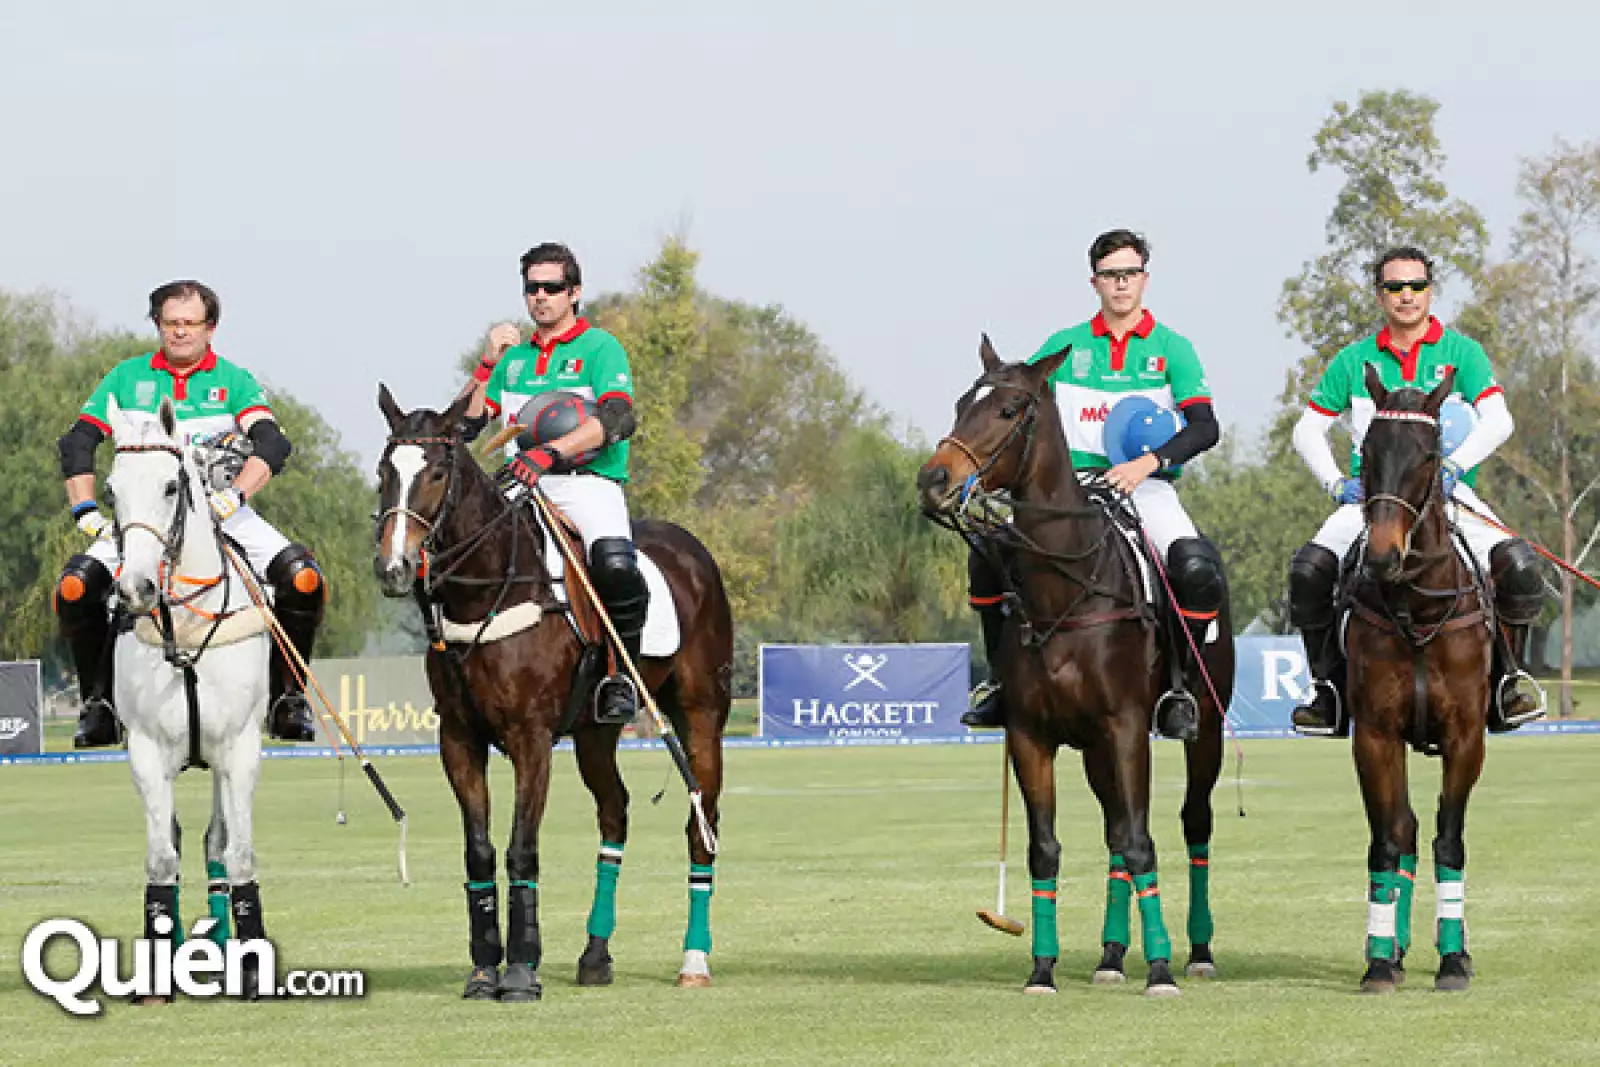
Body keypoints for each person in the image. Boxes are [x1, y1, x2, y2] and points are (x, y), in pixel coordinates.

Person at [965, 229, 1227, 740]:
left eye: (1130, 273)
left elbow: (1205, 428)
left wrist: (1148, 464)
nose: (1121, 284)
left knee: (1195, 566)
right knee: (986, 555)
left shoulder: (1173, 348)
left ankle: (1179, 688)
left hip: (1145, 487)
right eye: (1110, 275)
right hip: (1070, 493)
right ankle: (999, 680)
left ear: (1145, 279)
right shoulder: (1065, 347)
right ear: (1095, 283)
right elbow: (1014, 405)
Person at [1287, 245, 1545, 736]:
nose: (1406, 296)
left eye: (1416, 286)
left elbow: (1499, 420)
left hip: (1449, 496)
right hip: (1374, 500)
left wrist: (1455, 467)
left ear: (1430, 290)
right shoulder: (1354, 360)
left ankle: (1508, 681)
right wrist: (1336, 483)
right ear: (1380, 295)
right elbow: (1307, 430)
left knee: (1518, 564)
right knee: (1309, 570)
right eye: (1394, 287)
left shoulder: (1461, 354)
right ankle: (1328, 689)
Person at [55, 279, 322, 748]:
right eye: (171, 323)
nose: (180, 332)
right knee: (74, 588)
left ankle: (288, 699)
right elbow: (78, 442)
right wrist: (85, 511)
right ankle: (99, 704)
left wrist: (234, 496)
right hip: (145, 519)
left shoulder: (233, 380)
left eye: (190, 323)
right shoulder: (126, 378)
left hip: (222, 512)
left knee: (303, 579)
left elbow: (272, 444)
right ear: (158, 325)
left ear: (210, 328)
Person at [463, 243, 645, 725]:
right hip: (516, 487)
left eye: (552, 287)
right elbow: (465, 425)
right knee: (452, 552)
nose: (540, 296)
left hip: (586, 483)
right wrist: (486, 364)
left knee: (614, 563)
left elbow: (618, 417)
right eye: (532, 288)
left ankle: (621, 676)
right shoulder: (514, 361)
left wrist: (551, 452)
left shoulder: (600, 348)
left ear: (574, 292)